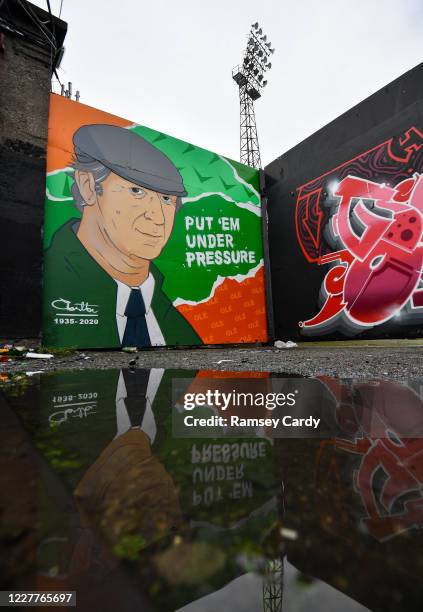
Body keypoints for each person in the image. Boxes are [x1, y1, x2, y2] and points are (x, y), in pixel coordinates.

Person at [43, 124, 201, 348]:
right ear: (87, 186)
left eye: (167, 199)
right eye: (136, 191)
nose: (158, 218)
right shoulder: (51, 284)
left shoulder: (180, 330)